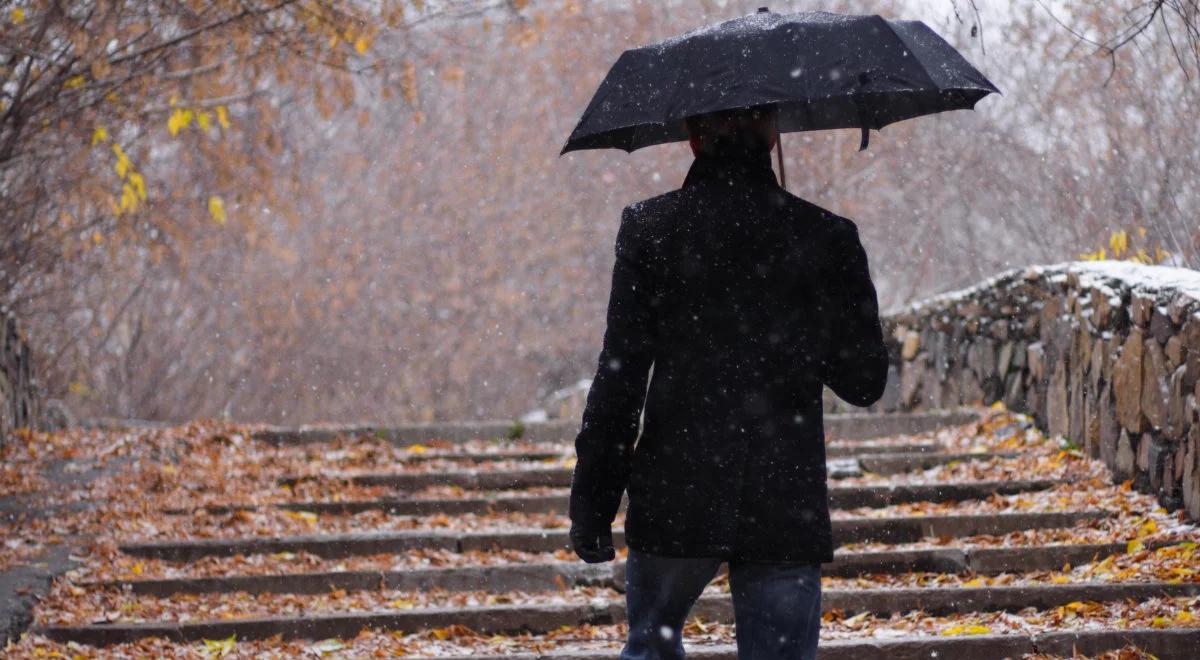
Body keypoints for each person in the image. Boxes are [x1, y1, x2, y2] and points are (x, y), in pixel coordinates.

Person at [566, 103, 890, 660]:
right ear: (772, 137)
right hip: (784, 500)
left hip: (676, 490)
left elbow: (620, 377)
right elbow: (864, 382)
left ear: (692, 138)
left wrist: (594, 502)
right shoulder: (826, 237)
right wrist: (810, 315)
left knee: (651, 649)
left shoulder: (651, 230)